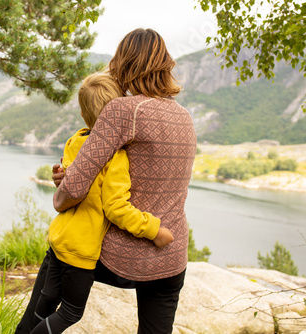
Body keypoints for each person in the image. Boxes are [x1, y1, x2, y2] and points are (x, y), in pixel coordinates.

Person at [16, 28, 196, 334]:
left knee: (61, 248)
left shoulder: (122, 110)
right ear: (165, 65)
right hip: (171, 255)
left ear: (123, 63)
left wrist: (61, 195)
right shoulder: (185, 117)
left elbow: (74, 188)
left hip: (120, 255)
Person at [30, 72, 174, 334]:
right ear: (118, 112)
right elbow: (116, 208)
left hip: (59, 238)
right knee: (70, 313)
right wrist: (154, 230)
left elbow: (75, 185)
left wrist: (61, 179)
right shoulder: (116, 157)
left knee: (47, 298)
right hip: (80, 250)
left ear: (85, 114)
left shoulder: (76, 140)